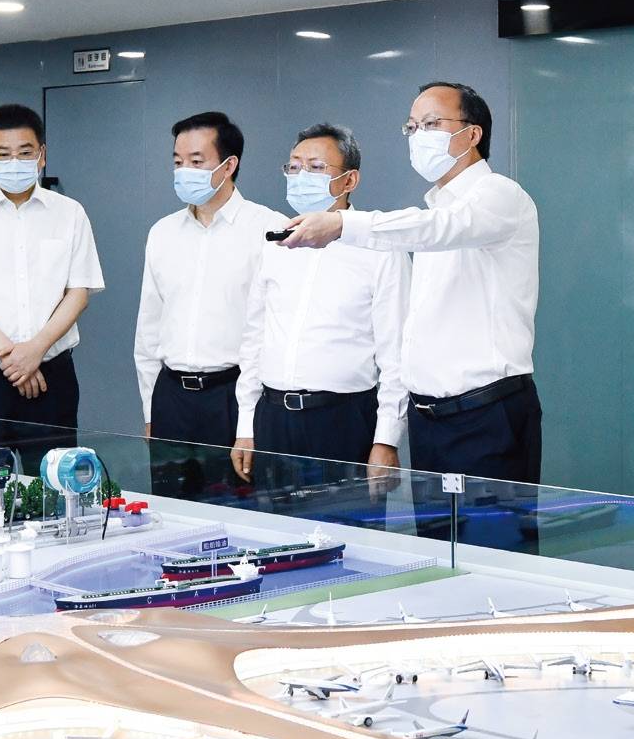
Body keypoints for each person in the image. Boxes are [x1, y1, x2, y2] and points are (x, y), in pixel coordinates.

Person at [280, 82, 540, 488]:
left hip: (486, 414)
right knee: (434, 532)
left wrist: (342, 224)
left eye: (431, 124)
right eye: (412, 127)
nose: (418, 136)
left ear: (472, 133)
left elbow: (442, 228)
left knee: (491, 530)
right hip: (429, 421)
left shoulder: (499, 196)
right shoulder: (434, 210)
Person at [233, 125, 409, 491]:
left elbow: (397, 355)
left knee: (346, 522)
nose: (301, 177)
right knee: (270, 525)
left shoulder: (380, 249)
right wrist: (246, 425)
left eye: (315, 168)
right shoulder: (275, 244)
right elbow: (254, 339)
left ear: (349, 180)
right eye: (294, 166)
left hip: (342, 420)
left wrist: (386, 440)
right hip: (273, 417)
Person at [0, 104, 104, 435]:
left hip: (52, 375)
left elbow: (78, 293)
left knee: (54, 466)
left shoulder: (70, 213)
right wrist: (14, 358)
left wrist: (35, 350)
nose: (14, 162)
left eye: (25, 153)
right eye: (3, 154)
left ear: (42, 155)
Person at [135, 112, 280, 493]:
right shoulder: (163, 233)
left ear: (229, 165)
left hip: (232, 395)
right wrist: (151, 410)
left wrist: (248, 424)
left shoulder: (267, 228)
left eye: (196, 162)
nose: (184, 171)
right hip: (171, 397)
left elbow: (269, 331)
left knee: (236, 509)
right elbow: (149, 328)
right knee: (170, 509)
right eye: (178, 162)